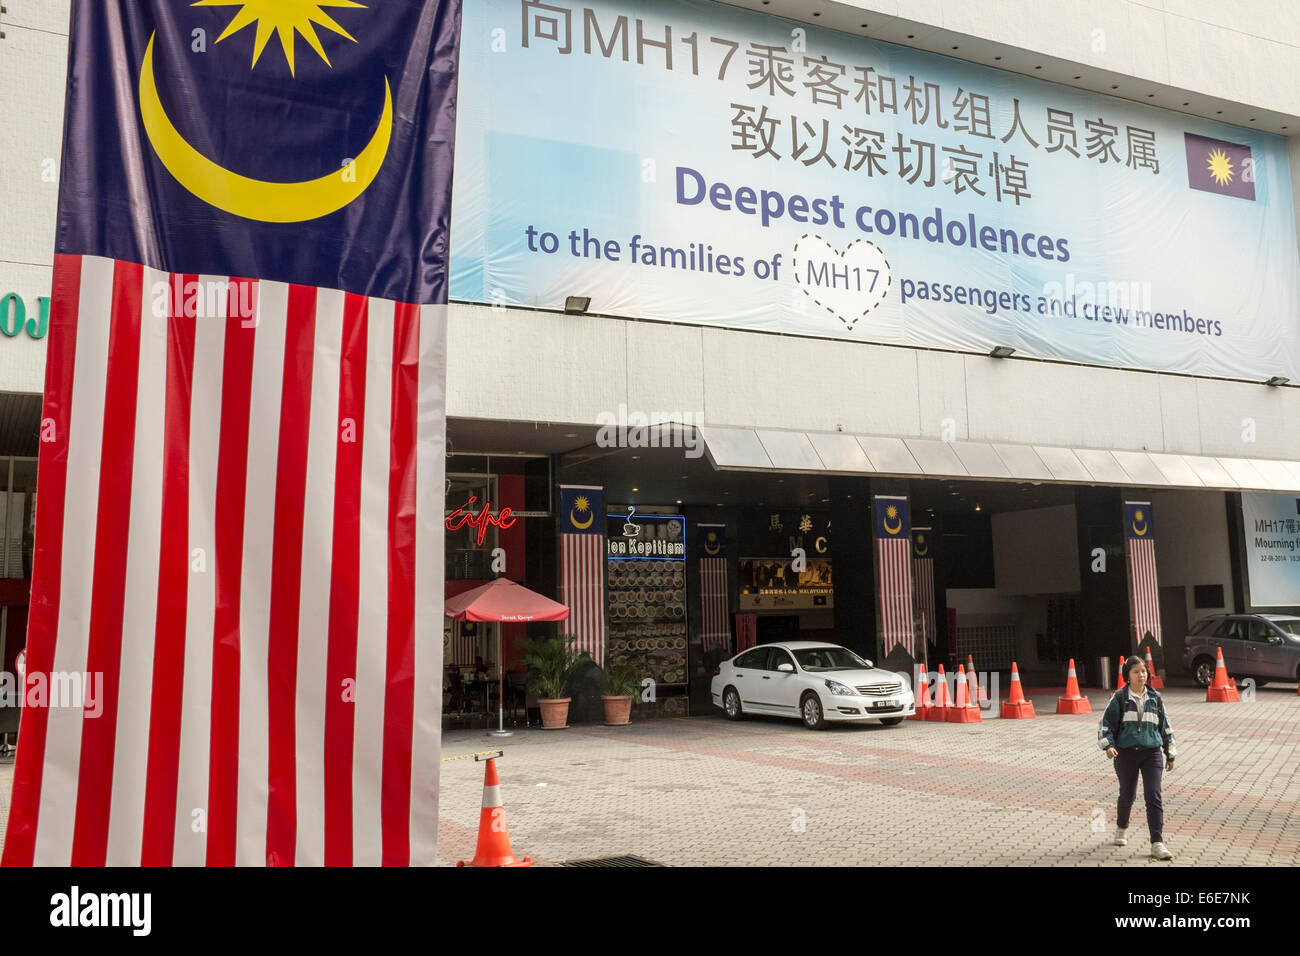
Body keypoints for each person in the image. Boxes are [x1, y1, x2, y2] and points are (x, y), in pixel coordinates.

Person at [1098, 654, 1177, 860]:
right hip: (1125, 754)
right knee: (1128, 795)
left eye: (1143, 671)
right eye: (1136, 672)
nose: (1141, 675)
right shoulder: (1119, 698)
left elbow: (1165, 727)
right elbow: (1106, 726)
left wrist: (1170, 753)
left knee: (1154, 796)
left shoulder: (1156, 698)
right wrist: (1109, 746)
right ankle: (1122, 828)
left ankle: (1157, 843)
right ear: (1128, 675)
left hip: (1152, 754)